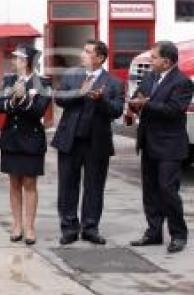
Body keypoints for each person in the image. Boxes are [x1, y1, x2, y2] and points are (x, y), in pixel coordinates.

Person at [52, 40, 123, 245]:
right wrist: (79, 93)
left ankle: (90, 227)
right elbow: (59, 99)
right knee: (67, 185)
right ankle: (69, 228)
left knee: (94, 187)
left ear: (99, 58)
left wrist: (101, 100)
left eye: (87, 51)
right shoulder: (71, 75)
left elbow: (117, 110)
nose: (82, 54)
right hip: (70, 140)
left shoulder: (114, 83)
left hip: (97, 143)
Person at [127, 41, 192, 254]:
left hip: (170, 145)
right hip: (149, 142)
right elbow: (138, 96)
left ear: (167, 61)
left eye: (154, 57)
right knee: (150, 191)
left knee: (167, 190)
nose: (150, 60)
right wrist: (133, 104)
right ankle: (154, 232)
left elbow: (174, 110)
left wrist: (146, 104)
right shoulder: (150, 77)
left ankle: (178, 234)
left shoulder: (181, 82)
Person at [0, 45, 51, 245]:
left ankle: (30, 226)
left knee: (30, 183)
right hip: (11, 138)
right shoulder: (8, 80)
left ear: (27, 61)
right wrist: (13, 99)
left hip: (32, 139)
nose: (13, 60)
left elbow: (39, 110)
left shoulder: (42, 82)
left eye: (18, 58)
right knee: (14, 182)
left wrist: (23, 97)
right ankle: (17, 224)